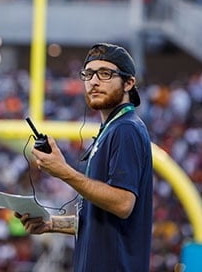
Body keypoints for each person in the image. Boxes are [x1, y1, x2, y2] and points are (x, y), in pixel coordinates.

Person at [15, 43, 153, 271]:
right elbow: (97, 219)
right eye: (88, 74)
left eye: (105, 74)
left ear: (129, 83)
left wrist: (64, 172)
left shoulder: (125, 129)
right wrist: (51, 224)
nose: (94, 81)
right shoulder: (110, 130)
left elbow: (123, 204)